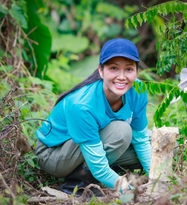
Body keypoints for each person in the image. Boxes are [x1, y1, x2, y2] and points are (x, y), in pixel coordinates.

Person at [34, 38, 151, 196]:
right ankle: (77, 184)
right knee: (121, 132)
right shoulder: (82, 105)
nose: (122, 77)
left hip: (87, 147)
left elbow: (141, 139)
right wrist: (131, 191)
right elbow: (99, 167)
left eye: (129, 69)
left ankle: (100, 176)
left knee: (153, 143)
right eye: (114, 68)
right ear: (101, 71)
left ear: (136, 71)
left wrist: (156, 178)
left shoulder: (138, 89)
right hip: (53, 155)